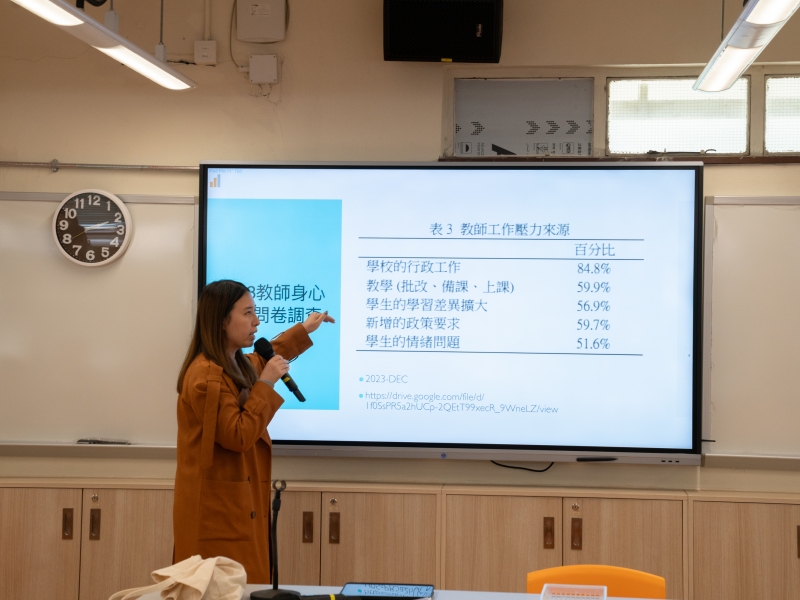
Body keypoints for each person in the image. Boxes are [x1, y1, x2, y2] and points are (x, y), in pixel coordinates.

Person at [172, 279, 334, 582]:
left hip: (236, 508)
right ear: (222, 320)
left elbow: (264, 356)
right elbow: (238, 436)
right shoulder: (206, 377)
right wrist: (266, 383)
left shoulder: (235, 363)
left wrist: (305, 329)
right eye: (247, 313)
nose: (256, 321)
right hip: (217, 514)